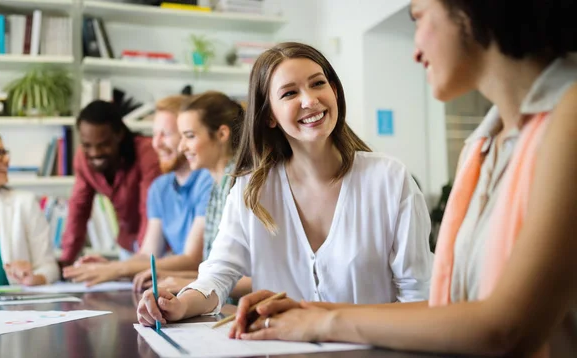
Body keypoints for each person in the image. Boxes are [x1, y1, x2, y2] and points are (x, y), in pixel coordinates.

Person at [212, 1, 577, 357]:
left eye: (418, 17)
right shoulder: (482, 145)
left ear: (470, 11)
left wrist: (322, 324)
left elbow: (506, 330)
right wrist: (311, 313)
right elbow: (449, 309)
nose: (415, 48)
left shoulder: (568, 120)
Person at [136, 42, 434, 328]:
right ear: (269, 116)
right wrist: (180, 305)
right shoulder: (250, 190)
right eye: (290, 93)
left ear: (334, 91)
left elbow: (418, 296)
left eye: (318, 83)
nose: (310, 100)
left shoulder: (390, 178)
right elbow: (218, 274)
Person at [63, 95, 213, 286]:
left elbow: (192, 260)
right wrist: (111, 266)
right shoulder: (161, 187)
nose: (156, 143)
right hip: (139, 250)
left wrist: (116, 269)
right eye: (154, 134)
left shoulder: (209, 181)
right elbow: (147, 254)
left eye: (165, 134)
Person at [132, 91, 251, 300]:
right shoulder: (218, 185)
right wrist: (173, 275)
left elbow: (259, 278)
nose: (181, 147)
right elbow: (219, 270)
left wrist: (188, 282)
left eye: (189, 136)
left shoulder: (240, 185)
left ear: (222, 135)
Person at [59, 100, 161, 266]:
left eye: (103, 144)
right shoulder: (83, 159)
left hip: (158, 244)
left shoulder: (146, 152)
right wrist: (66, 260)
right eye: (87, 145)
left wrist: (142, 260)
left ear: (119, 134)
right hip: (127, 244)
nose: (95, 153)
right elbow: (79, 208)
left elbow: (149, 207)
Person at [0, 130, 59, 286]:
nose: (7, 159)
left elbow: (50, 267)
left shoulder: (25, 204)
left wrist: (34, 278)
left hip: (16, 308)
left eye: (5, 153)